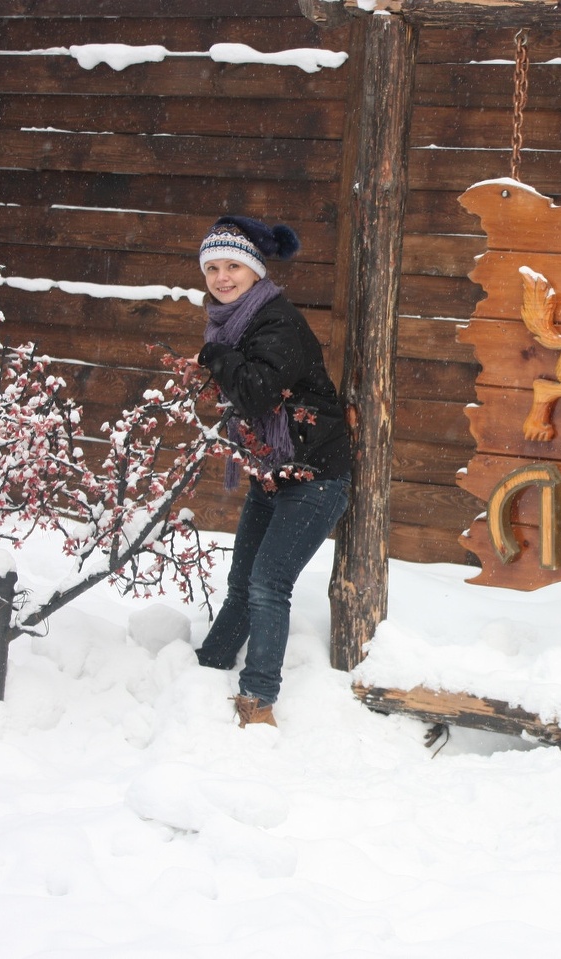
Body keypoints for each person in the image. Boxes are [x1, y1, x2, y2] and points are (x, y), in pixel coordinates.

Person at [189, 216, 351, 728]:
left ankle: (258, 701)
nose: (221, 277)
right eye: (212, 267)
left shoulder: (276, 322)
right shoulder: (235, 321)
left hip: (317, 475)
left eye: (232, 265)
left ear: (255, 271)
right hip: (274, 471)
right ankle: (203, 671)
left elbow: (255, 389)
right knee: (242, 583)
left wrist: (217, 357)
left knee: (266, 583)